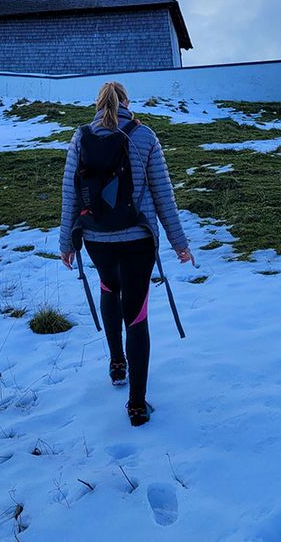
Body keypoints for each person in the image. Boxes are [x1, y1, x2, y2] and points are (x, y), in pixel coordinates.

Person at [59, 81, 194, 427]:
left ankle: (116, 362)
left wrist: (66, 243)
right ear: (126, 103)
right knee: (136, 314)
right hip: (137, 238)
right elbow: (163, 194)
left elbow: (70, 195)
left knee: (109, 288)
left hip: (96, 238)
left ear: (98, 104)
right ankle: (136, 404)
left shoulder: (80, 137)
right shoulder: (144, 135)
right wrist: (179, 242)